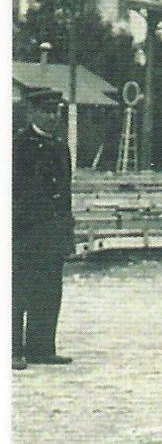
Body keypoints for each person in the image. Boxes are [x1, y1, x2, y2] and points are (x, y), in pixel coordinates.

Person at [13, 86, 75, 368]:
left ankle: (41, 347)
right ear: (32, 112)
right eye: (46, 111)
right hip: (23, 231)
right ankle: (13, 349)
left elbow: (65, 193)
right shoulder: (17, 145)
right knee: (17, 291)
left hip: (52, 231)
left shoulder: (61, 146)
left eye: (56, 112)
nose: (52, 117)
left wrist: (66, 233)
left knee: (49, 290)